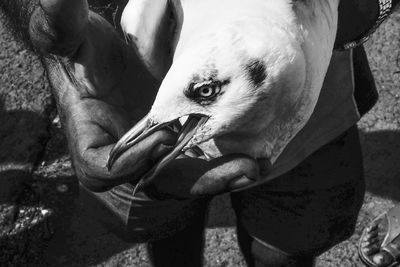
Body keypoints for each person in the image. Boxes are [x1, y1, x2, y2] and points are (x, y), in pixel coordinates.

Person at [0, 0, 398, 266]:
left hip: (309, 101)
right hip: (117, 90)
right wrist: (61, 49)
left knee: (287, 248)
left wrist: (325, 17)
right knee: (165, 226)